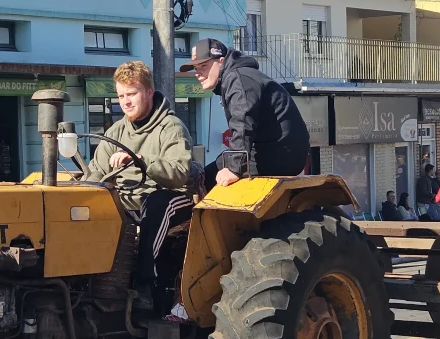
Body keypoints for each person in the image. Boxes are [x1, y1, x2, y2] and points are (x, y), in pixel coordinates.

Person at [85, 61, 192, 310]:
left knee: (155, 205)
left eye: (131, 94)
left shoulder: (171, 128)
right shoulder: (116, 132)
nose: (125, 102)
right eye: (121, 95)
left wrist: (141, 159)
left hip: (170, 196)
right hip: (127, 199)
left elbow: (179, 174)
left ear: (149, 92)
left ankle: (144, 282)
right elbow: (96, 172)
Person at [181, 38, 310, 189]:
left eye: (203, 66)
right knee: (213, 169)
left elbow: (242, 123)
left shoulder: (238, 78)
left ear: (221, 61)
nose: (198, 73)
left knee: (207, 180)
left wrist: (234, 169)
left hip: (280, 154)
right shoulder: (239, 76)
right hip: (277, 150)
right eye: (196, 68)